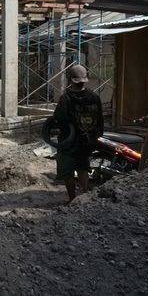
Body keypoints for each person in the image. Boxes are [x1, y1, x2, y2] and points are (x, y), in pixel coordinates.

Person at [52, 64, 104, 203]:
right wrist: (95, 138)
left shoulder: (66, 98)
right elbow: (100, 121)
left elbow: (59, 119)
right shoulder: (94, 98)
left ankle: (72, 199)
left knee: (67, 170)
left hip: (69, 142)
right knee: (83, 167)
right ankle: (85, 196)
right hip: (86, 142)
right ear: (84, 80)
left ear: (70, 80)